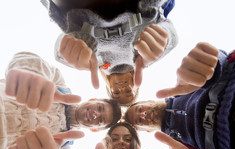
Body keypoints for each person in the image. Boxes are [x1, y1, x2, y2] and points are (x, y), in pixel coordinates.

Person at [0, 51, 121, 149]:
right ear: (93, 100)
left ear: (95, 129)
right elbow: (23, 58)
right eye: (100, 107)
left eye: (101, 120)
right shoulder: (58, 84)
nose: (96, 114)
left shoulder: (63, 147)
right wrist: (33, 74)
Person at [124, 42, 235, 149]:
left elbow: (221, 61)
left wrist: (211, 64)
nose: (143, 115)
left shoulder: (182, 86)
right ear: (147, 130)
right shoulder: (177, 148)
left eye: (140, 109)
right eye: (138, 120)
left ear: (148, 101)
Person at [41, 0, 178, 105]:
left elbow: (59, 52)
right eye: (128, 91)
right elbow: (170, 33)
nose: (122, 88)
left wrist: (71, 48)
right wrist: (164, 40)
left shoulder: (93, 65)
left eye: (116, 93)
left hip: (80, 10)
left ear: (109, 88)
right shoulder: (142, 59)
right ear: (136, 86)